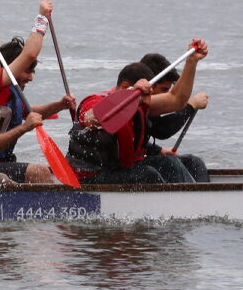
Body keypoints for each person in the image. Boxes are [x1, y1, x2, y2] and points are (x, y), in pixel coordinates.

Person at [68, 40, 209, 184]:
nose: (149, 101)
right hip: (90, 176)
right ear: (125, 87)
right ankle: (172, 204)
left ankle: (202, 202)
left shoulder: (140, 101)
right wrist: (92, 118)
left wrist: (191, 61)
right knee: (150, 173)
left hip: (120, 168)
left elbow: (177, 100)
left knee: (192, 163)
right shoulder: (97, 101)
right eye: (147, 95)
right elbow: (90, 116)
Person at [0, 0, 75, 161]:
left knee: (40, 172)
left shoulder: (12, 92)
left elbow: (30, 112)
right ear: (12, 66)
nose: (31, 77)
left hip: (1, 162)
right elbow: (30, 54)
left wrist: (60, 105)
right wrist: (42, 18)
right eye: (27, 70)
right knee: (39, 173)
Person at [139, 52, 210, 182]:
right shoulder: (136, 101)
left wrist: (158, 150)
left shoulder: (147, 103)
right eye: (164, 90)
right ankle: (189, 201)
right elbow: (162, 129)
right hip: (118, 168)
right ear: (148, 85)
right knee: (170, 164)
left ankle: (206, 198)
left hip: (137, 159)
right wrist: (190, 107)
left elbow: (140, 136)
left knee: (194, 162)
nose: (167, 95)